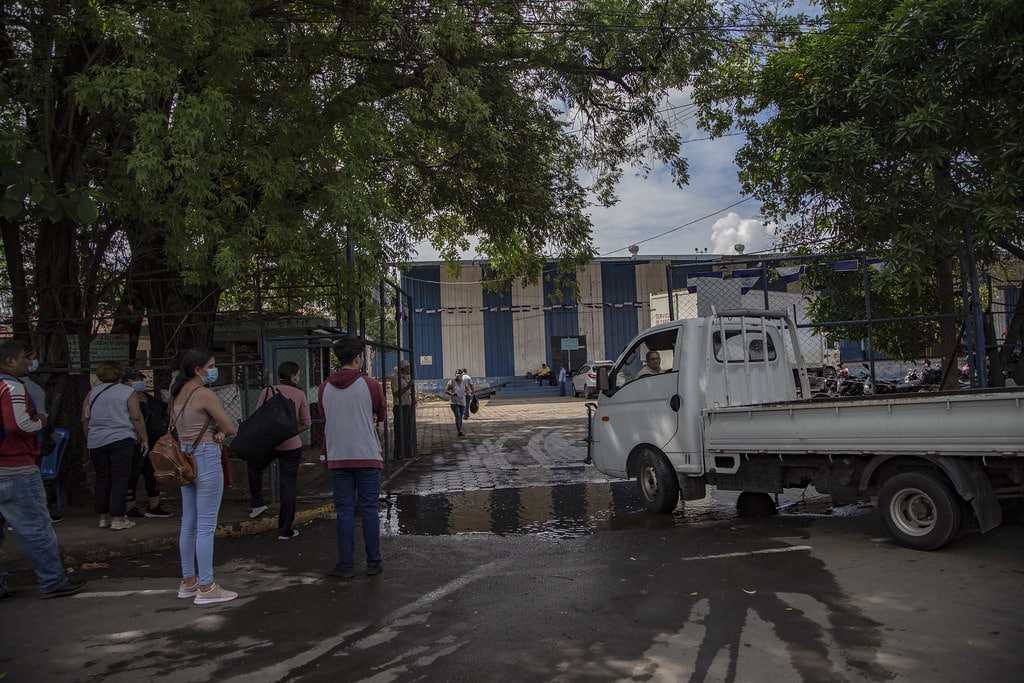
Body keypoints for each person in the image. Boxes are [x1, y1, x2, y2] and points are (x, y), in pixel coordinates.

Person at [0, 340, 86, 600]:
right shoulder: (12, 386)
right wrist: (41, 421)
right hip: (16, 468)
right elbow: (19, 424)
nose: (28, 362)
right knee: (36, 528)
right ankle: (52, 581)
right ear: (10, 361)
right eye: (23, 359)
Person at [170, 348, 238, 605]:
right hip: (206, 457)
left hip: (184, 459)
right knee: (206, 526)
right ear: (198, 370)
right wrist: (219, 432)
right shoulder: (204, 394)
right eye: (210, 365)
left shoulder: (177, 394)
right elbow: (230, 427)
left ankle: (189, 581)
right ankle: (207, 586)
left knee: (189, 522)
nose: (213, 369)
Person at [319, 337, 386, 579]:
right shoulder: (371, 385)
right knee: (369, 509)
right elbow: (381, 413)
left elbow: (324, 414)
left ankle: (346, 565)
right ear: (358, 357)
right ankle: (373, 562)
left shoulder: (324, 387)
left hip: (338, 456)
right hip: (367, 455)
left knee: (344, 511)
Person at [246, 361, 311, 539]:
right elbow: (306, 423)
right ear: (294, 375)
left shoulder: (267, 391)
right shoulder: (299, 393)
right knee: (288, 486)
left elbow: (259, 417)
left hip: (268, 444)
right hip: (291, 445)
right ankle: (285, 529)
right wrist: (289, 430)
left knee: (254, 467)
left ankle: (258, 503)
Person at [82, 361, 148, 531]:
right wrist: (144, 438)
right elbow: (136, 417)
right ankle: (118, 517)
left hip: (97, 440)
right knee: (120, 477)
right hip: (121, 438)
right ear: (120, 375)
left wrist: (89, 438)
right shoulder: (128, 392)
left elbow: (85, 418)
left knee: (103, 477)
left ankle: (103, 517)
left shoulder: (92, 393)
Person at [121, 370, 172, 518]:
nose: (139, 382)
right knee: (133, 473)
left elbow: (163, 409)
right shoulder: (125, 399)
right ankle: (130, 507)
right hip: (136, 442)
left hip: (154, 442)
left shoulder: (149, 398)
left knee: (152, 473)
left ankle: (154, 506)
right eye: (134, 379)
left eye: (140, 379)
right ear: (125, 382)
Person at [389, 359, 415, 460]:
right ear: (403, 368)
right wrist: (408, 386)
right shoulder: (396, 379)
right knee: (400, 431)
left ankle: (407, 452)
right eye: (408, 367)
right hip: (400, 407)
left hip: (407, 405)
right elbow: (396, 394)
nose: (409, 369)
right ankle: (399, 453)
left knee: (408, 431)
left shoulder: (406, 378)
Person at [445, 372, 467, 436]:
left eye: (459, 375)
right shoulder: (451, 382)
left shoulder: (464, 382)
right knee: (458, 416)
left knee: (460, 417)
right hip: (454, 402)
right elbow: (446, 390)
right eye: (457, 375)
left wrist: (466, 391)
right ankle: (459, 431)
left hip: (462, 402)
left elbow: (467, 389)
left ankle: (460, 429)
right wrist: (452, 394)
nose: (458, 377)